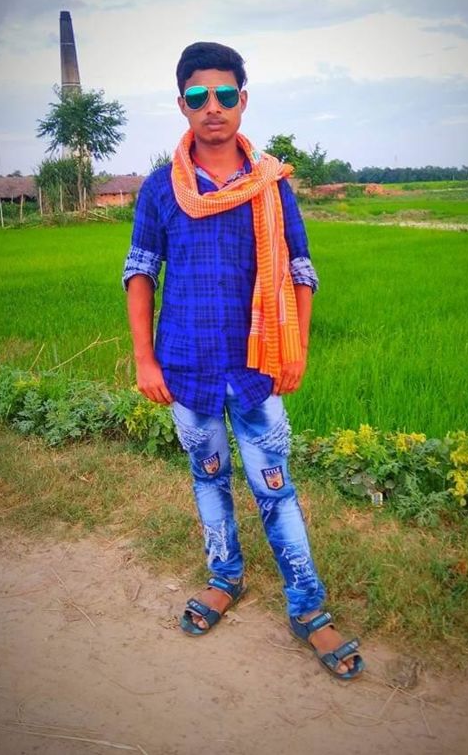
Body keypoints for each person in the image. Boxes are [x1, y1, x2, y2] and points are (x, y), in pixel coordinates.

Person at [122, 42, 364, 680]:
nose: (213, 107)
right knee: (208, 478)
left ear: (243, 101)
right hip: (185, 369)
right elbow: (140, 272)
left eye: (225, 94)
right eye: (198, 96)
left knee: (274, 488)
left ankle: (308, 607)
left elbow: (301, 270)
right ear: (181, 105)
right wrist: (145, 360)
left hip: (257, 368)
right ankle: (225, 577)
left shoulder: (272, 186)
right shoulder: (161, 189)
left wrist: (297, 349)